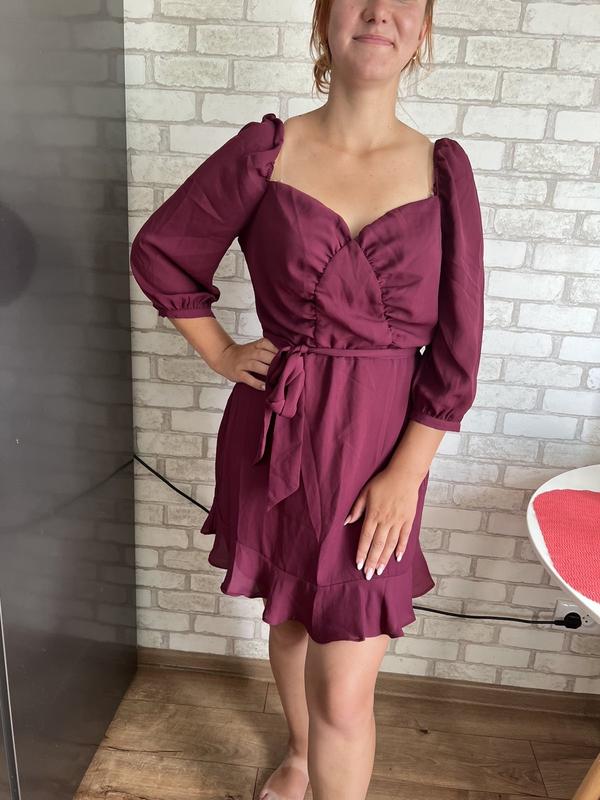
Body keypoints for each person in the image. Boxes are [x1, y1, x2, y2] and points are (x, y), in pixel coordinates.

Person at [130, 0, 485, 797]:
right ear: (324, 18)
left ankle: (316, 759)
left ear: (424, 28)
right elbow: (162, 252)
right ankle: (297, 754)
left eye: (405, 0)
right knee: (290, 612)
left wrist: (405, 476)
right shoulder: (267, 151)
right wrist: (221, 350)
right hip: (275, 430)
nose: (380, 11)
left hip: (380, 448)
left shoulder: (442, 172)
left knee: (347, 693)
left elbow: (459, 347)